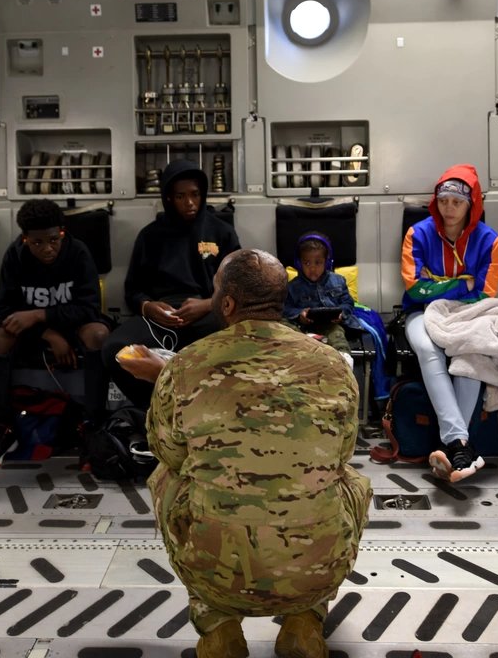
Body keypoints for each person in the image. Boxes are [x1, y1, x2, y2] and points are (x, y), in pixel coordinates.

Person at [146, 249, 371, 658]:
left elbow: (168, 451)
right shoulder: (334, 365)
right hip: (312, 573)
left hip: (218, 575)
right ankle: (305, 620)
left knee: (165, 475)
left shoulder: (184, 366)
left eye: (215, 291)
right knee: (349, 479)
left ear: (227, 303)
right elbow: (342, 453)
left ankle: (217, 625)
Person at [0, 199, 113, 472]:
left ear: (62, 231)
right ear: (25, 239)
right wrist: (47, 333)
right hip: (36, 332)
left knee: (98, 334)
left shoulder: (78, 252)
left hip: (72, 324)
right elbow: (5, 311)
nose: (48, 248)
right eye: (37, 242)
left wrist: (39, 316)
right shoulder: (15, 256)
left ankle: (93, 426)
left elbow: (89, 308)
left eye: (54, 239)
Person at [103, 159, 240, 408]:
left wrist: (209, 304)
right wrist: (148, 307)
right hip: (161, 315)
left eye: (195, 194)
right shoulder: (150, 236)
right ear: (168, 198)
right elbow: (132, 290)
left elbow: (238, 283)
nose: (189, 202)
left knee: (241, 345)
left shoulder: (222, 232)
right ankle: (155, 411)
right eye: (180, 196)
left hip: (208, 312)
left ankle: (213, 413)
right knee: (114, 348)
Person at [401, 164, 498, 482]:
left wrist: (440, 283)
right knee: (429, 351)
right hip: (421, 312)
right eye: (443, 200)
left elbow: (486, 292)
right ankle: (462, 445)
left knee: (471, 353)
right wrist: (463, 283)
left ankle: (455, 446)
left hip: (468, 316)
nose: (449, 208)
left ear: (471, 203)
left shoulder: (490, 241)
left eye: (457, 202)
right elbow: (415, 289)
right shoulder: (417, 234)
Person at [283, 230, 364, 368]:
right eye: (307, 263)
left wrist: (341, 314)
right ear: (298, 263)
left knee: (337, 332)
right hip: (303, 326)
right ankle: (307, 342)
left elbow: (348, 303)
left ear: (327, 262)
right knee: (284, 325)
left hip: (330, 324)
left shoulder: (338, 281)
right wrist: (300, 314)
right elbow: (286, 308)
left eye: (318, 263)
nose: (312, 268)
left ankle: (344, 359)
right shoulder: (292, 286)